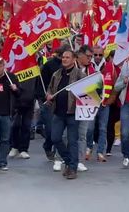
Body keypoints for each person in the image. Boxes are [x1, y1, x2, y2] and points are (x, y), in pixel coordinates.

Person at [47, 50, 85, 179]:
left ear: (74, 59)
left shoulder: (80, 75)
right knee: (55, 138)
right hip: (58, 112)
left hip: (73, 112)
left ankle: (72, 168)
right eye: (63, 57)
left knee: (72, 140)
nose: (64, 59)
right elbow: (50, 89)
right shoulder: (57, 74)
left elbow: (87, 92)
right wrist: (48, 95)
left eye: (67, 57)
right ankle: (69, 161)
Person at [38, 45, 67, 161]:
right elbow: (42, 84)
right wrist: (43, 98)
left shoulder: (72, 67)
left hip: (63, 103)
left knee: (60, 131)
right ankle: (47, 146)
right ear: (60, 55)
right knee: (50, 129)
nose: (65, 60)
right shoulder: (48, 66)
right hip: (49, 102)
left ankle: (59, 153)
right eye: (64, 57)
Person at [9, 69, 36, 160]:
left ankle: (24, 149)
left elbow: (37, 86)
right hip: (16, 102)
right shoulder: (13, 71)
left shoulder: (34, 70)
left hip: (29, 102)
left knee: (26, 126)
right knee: (15, 126)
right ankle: (14, 147)